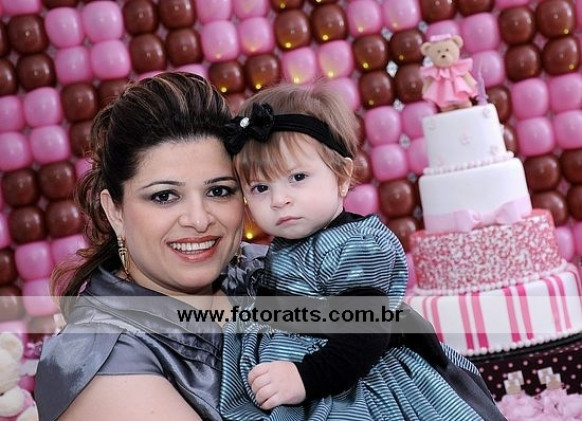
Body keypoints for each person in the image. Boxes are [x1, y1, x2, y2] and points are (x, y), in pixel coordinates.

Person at [218, 81, 507, 420]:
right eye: (260, 187)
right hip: (300, 378)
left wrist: (306, 377)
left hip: (358, 381)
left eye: (297, 177)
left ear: (342, 176)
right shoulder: (283, 246)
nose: (279, 199)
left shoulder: (354, 245)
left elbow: (366, 331)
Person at [34, 72, 266, 421]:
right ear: (115, 211)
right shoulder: (101, 359)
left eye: (219, 191)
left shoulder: (274, 271)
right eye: (164, 196)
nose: (198, 219)